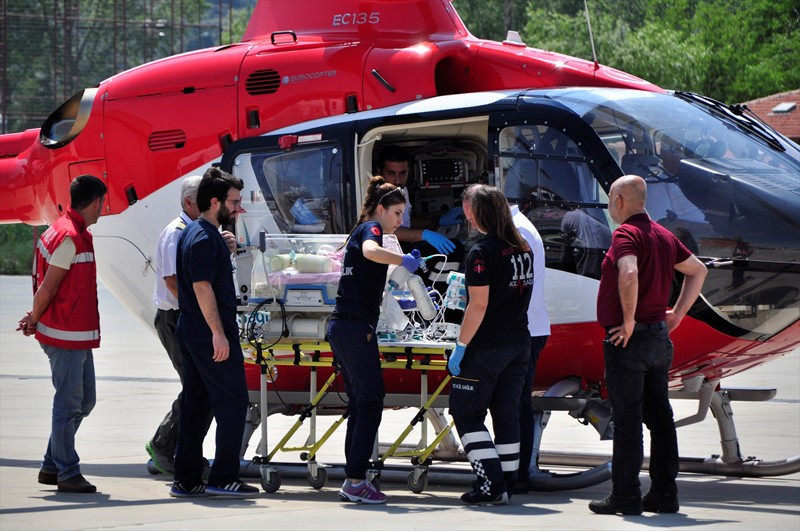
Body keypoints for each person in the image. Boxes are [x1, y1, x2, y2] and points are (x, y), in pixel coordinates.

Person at [590, 175, 707, 515]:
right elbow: (697, 270)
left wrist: (627, 321)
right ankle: (664, 495)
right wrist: (678, 315)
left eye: (611, 198)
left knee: (628, 420)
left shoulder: (626, 233)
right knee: (661, 418)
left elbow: (628, 273)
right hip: (659, 337)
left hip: (630, 338)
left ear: (620, 201)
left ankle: (626, 496)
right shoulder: (664, 235)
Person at [327, 176, 420, 504]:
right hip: (354, 329)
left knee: (360, 404)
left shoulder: (362, 230)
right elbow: (371, 251)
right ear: (380, 209)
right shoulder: (371, 231)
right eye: (396, 212)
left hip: (343, 328)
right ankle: (355, 480)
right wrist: (402, 259)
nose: (400, 220)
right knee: (370, 402)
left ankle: (354, 477)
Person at [170, 167, 258, 498]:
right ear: (214, 201)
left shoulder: (197, 234)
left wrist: (227, 253)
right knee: (234, 401)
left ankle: (187, 478)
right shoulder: (206, 238)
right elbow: (202, 287)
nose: (238, 208)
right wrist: (218, 334)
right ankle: (223, 476)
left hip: (192, 330)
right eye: (234, 202)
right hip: (208, 332)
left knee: (198, 402)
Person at [17, 175, 107, 493]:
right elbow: (49, 285)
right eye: (102, 203)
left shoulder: (65, 230)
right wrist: (34, 317)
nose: (102, 209)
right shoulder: (69, 237)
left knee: (85, 401)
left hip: (74, 334)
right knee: (69, 404)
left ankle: (51, 465)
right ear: (95, 201)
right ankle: (67, 472)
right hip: (64, 335)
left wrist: (35, 317)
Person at [447, 184, 533, 505]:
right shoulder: (523, 246)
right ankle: (508, 482)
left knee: (465, 412)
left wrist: (461, 345)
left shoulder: (481, 252)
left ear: (480, 212)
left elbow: (478, 305)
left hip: (488, 346)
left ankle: (491, 484)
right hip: (518, 342)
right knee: (506, 413)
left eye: (469, 210)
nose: (467, 217)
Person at [145, 175, 236, 474]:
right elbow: (177, 282)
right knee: (196, 389)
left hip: (189, 317)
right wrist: (207, 323)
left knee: (198, 389)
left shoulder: (200, 232)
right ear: (191, 202)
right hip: (179, 317)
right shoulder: (180, 232)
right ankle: (165, 445)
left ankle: (183, 458)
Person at [377, 146, 463, 258]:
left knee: (455, 248)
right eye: (391, 173)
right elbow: (386, 231)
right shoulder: (377, 195)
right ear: (379, 172)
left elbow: (406, 220)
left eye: (403, 173)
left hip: (408, 246)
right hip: (390, 252)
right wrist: (424, 234)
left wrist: (436, 221)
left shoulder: (402, 190)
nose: (398, 180)